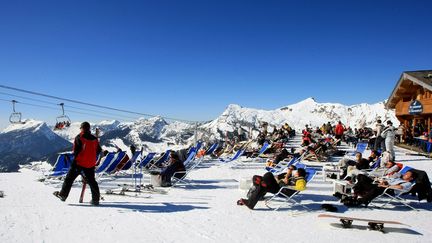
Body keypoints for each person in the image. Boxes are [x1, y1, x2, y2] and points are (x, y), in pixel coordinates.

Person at [53, 121, 102, 205]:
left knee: (69, 179)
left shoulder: (79, 137)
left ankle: (63, 195)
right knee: (92, 181)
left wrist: (75, 160)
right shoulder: (94, 139)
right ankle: (95, 199)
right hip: (90, 164)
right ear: (89, 128)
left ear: (82, 128)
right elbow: (98, 150)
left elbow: (76, 151)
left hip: (79, 163)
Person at [237, 168, 307, 209]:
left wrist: (287, 185)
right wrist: (283, 178)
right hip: (279, 186)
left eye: (296, 171)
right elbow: (279, 177)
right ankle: (261, 185)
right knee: (268, 175)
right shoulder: (293, 177)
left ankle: (251, 201)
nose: (295, 172)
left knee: (263, 184)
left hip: (283, 190)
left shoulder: (301, 180)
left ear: (298, 174)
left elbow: (302, 188)